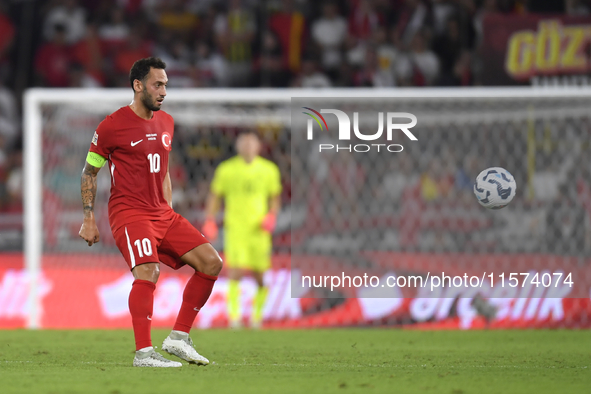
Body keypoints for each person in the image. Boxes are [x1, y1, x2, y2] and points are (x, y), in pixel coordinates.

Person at [78, 57, 223, 368]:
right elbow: (89, 173)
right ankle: (144, 354)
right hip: (129, 213)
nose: (164, 91)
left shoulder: (167, 122)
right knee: (148, 271)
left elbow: (164, 169)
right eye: (158, 84)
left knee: (211, 262)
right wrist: (88, 218)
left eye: (166, 85)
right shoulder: (111, 126)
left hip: (162, 213)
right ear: (138, 85)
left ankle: (178, 339)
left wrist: (168, 208)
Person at [203, 132, 281, 329]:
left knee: (260, 276)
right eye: (244, 144)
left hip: (259, 231)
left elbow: (274, 196)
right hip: (236, 228)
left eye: (251, 144)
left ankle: (257, 316)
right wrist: (210, 220)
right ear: (238, 148)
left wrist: (272, 215)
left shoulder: (269, 170)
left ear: (258, 147)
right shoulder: (226, 169)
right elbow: (215, 195)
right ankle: (235, 317)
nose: (247, 147)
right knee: (235, 271)